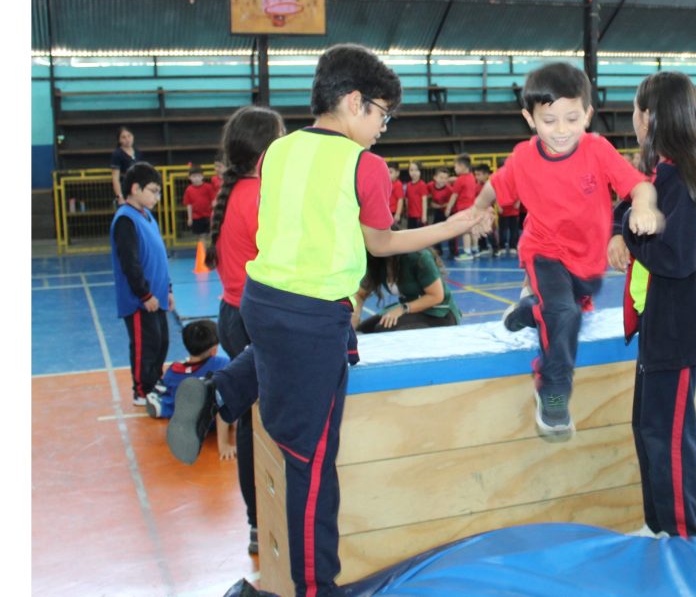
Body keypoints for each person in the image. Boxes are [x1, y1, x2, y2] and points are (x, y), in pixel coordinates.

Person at [166, 43, 488, 596]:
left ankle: (218, 392)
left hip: (262, 303)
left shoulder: (279, 151)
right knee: (310, 462)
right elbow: (381, 241)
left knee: (275, 354)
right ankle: (317, 586)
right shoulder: (366, 166)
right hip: (310, 315)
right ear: (356, 102)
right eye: (383, 115)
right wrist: (456, 223)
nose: (383, 127)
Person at [472, 61, 662, 440]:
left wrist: (643, 207)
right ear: (530, 118)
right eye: (550, 120)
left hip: (587, 264)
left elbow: (639, 186)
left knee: (565, 306)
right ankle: (553, 393)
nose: (561, 131)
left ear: (588, 115)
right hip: (543, 250)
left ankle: (530, 309)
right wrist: (480, 209)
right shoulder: (524, 158)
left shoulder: (598, 150)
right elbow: (497, 186)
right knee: (563, 314)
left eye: (572, 119)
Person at [613, 72, 696, 538]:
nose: (635, 119)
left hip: (681, 335)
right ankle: (658, 523)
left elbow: (678, 258)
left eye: (638, 110)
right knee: (648, 428)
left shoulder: (682, 176)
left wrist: (629, 233)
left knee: (672, 437)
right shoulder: (664, 173)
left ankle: (681, 534)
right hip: (662, 327)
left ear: (652, 116)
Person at [203, 104, 286, 556]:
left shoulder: (232, 192)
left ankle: (257, 523)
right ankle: (268, 516)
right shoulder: (260, 197)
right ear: (264, 152)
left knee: (253, 424)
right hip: (256, 319)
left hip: (232, 313)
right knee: (269, 423)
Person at [110, 161, 172, 405]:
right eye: (153, 191)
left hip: (157, 295)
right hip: (140, 300)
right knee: (144, 345)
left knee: (161, 341)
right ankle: (141, 389)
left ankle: (154, 380)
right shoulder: (125, 220)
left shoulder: (147, 216)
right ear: (135, 188)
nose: (157, 197)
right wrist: (144, 295)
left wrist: (168, 289)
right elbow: (130, 263)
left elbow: (159, 255)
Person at [147, 321, 234, 457]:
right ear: (214, 350)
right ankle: (225, 439)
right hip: (210, 423)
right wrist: (223, 444)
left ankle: (163, 405)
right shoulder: (222, 363)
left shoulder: (173, 370)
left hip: (187, 423)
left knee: (172, 392)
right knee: (227, 392)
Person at [352, 248, 461, 333]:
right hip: (410, 309)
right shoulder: (376, 260)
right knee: (361, 331)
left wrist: (402, 309)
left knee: (383, 330)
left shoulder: (418, 256)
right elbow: (360, 295)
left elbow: (436, 297)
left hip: (439, 313)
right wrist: (354, 317)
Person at [448, 154, 478, 260]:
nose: (455, 169)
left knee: (465, 231)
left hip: (463, 209)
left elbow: (454, 195)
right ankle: (475, 249)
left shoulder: (459, 180)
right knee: (473, 229)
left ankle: (467, 252)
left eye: (455, 166)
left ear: (462, 166)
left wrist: (448, 208)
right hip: (472, 207)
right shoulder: (471, 177)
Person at [110, 126, 143, 205]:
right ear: (119, 140)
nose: (127, 139)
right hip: (125, 190)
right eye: (123, 137)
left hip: (138, 189)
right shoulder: (117, 154)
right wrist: (120, 196)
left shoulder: (138, 152)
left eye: (129, 136)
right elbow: (115, 178)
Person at [183, 164, 216, 243]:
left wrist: (214, 214)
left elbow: (213, 201)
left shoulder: (208, 187)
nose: (196, 179)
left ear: (202, 176)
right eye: (194, 176)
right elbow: (189, 205)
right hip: (196, 217)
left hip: (208, 215)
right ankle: (203, 253)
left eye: (198, 176)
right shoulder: (188, 190)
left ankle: (212, 252)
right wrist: (189, 218)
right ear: (189, 178)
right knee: (200, 237)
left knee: (212, 234)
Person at [495, 158, 521, 257]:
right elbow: (496, 192)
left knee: (514, 229)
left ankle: (513, 246)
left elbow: (519, 190)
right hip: (503, 209)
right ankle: (502, 246)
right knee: (502, 229)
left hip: (513, 208)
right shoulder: (497, 178)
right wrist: (498, 205)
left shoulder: (515, 177)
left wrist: (518, 202)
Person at [428, 167, 454, 256]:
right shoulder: (430, 185)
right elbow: (426, 196)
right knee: (435, 230)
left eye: (446, 178)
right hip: (437, 212)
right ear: (435, 177)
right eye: (441, 177)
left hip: (448, 212)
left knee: (451, 232)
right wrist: (430, 203)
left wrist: (441, 206)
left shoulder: (449, 190)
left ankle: (453, 252)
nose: (443, 180)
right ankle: (438, 250)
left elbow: (453, 202)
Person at [404, 162, 429, 229]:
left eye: (416, 170)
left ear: (420, 171)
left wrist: (424, 215)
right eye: (411, 170)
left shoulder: (422, 184)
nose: (413, 172)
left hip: (419, 216)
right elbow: (407, 199)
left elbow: (424, 201)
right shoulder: (408, 185)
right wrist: (407, 211)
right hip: (410, 215)